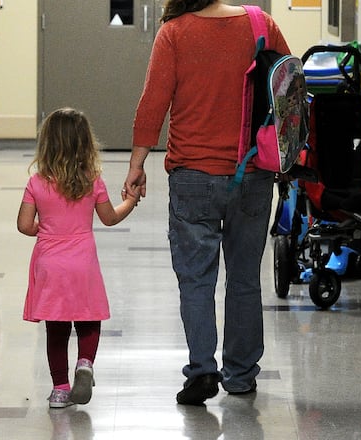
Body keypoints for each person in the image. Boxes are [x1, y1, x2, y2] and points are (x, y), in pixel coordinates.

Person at [124, 0, 291, 405]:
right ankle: (240, 375)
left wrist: (136, 162)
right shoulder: (259, 23)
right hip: (252, 174)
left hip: (192, 177)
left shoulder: (174, 33)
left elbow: (154, 101)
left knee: (196, 280)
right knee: (245, 278)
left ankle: (201, 370)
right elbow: (290, 91)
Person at [18, 107, 138, 408]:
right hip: (82, 261)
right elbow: (109, 218)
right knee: (88, 318)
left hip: (49, 262)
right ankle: (85, 363)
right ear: (86, 143)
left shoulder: (36, 182)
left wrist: (42, 229)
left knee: (56, 329)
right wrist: (131, 202)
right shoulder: (91, 180)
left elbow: (23, 225)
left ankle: (60, 389)